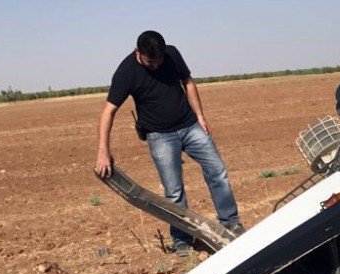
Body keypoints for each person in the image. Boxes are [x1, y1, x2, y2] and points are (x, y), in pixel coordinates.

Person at [94, 30, 244, 253]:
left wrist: (200, 116)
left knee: (217, 170)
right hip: (160, 136)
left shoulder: (172, 54)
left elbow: (188, 82)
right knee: (174, 192)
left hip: (190, 126)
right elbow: (108, 111)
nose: (155, 65)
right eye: (150, 62)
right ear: (138, 52)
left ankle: (230, 223)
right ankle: (182, 241)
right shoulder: (127, 72)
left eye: (159, 60)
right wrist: (103, 151)